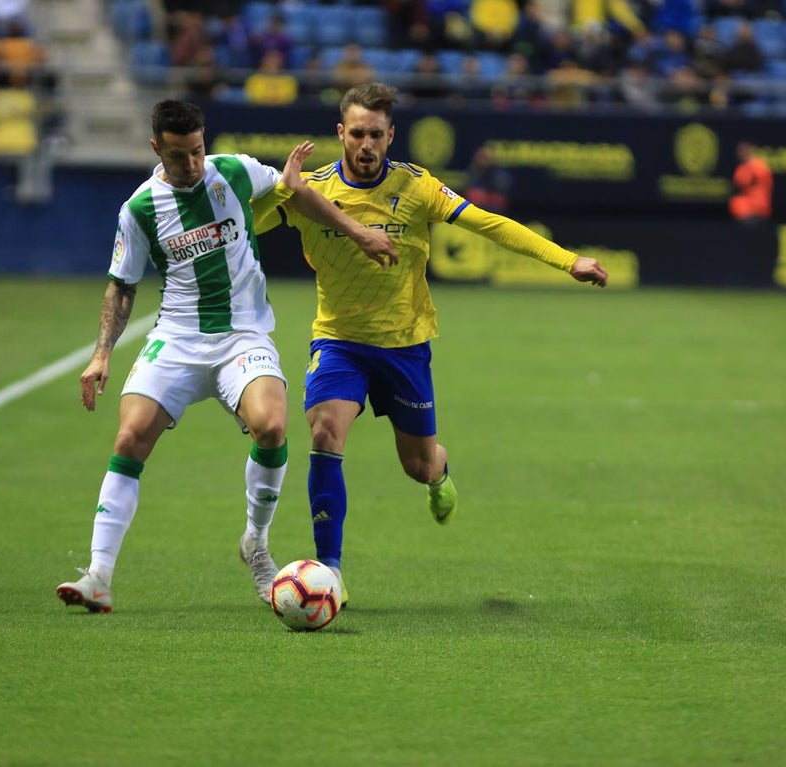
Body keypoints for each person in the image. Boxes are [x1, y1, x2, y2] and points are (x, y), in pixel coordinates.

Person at [252, 82, 608, 605]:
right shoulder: (310, 190)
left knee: (417, 464)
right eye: (357, 134)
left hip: (404, 346)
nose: (366, 144)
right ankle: (329, 571)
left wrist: (566, 260)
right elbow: (239, 230)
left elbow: (490, 223)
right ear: (340, 134)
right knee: (325, 433)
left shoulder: (417, 187)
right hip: (339, 341)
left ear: (391, 135)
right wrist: (278, 193)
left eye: (376, 134)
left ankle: (439, 473)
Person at [55, 99, 395, 613]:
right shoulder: (140, 209)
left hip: (243, 336)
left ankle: (255, 542)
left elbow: (294, 194)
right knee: (129, 436)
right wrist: (101, 354)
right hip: (177, 337)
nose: (191, 163)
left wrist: (356, 232)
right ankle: (99, 575)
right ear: (156, 149)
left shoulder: (233, 171)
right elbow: (121, 287)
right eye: (178, 155)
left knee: (273, 427)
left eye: (196, 150)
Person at [729, 141, 772, 224]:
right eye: (739, 151)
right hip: (743, 212)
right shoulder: (741, 168)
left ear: (750, 150)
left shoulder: (759, 166)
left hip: (758, 211)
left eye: (743, 150)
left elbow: (747, 181)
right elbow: (737, 184)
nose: (740, 154)